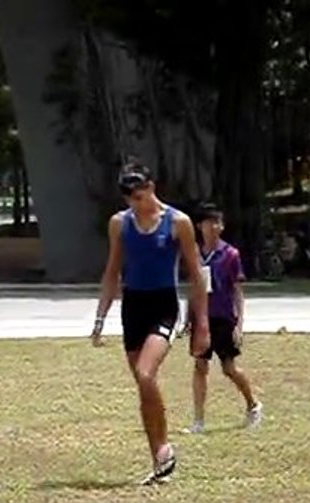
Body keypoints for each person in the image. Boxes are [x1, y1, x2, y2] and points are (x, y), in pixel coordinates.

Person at [90, 162, 210, 485]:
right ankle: (159, 460)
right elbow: (112, 271)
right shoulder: (120, 224)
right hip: (133, 307)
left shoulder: (178, 222)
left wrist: (201, 323)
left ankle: (164, 446)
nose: (136, 204)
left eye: (140, 196)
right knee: (143, 386)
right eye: (131, 199)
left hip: (163, 306)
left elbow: (197, 275)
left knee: (146, 373)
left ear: (152, 188)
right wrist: (101, 317)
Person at [180, 204, 263, 435]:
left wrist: (239, 324)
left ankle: (253, 403)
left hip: (223, 316)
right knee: (200, 366)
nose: (214, 227)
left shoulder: (230, 255)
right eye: (209, 222)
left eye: (218, 222)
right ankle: (198, 420)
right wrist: (188, 317)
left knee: (229, 368)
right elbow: (193, 287)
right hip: (201, 318)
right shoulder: (195, 254)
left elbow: (237, 291)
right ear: (200, 226)